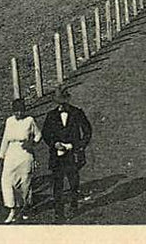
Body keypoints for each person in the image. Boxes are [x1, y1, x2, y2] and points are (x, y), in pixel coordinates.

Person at [41, 86, 92, 221]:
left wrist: (78, 146)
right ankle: (59, 213)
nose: (61, 105)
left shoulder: (77, 113)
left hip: (73, 155)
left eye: (63, 101)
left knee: (73, 183)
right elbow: (46, 133)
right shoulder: (51, 115)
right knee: (57, 185)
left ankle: (74, 206)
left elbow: (87, 132)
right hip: (56, 156)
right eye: (59, 102)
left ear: (68, 100)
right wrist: (54, 143)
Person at [0, 98, 40, 223]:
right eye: (16, 112)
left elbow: (38, 134)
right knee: (6, 181)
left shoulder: (29, 120)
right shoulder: (9, 121)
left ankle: (25, 207)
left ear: (24, 111)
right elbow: (5, 138)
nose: (18, 114)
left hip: (25, 154)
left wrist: (32, 143)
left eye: (21, 111)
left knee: (25, 183)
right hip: (11, 153)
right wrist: (2, 154)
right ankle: (12, 209)